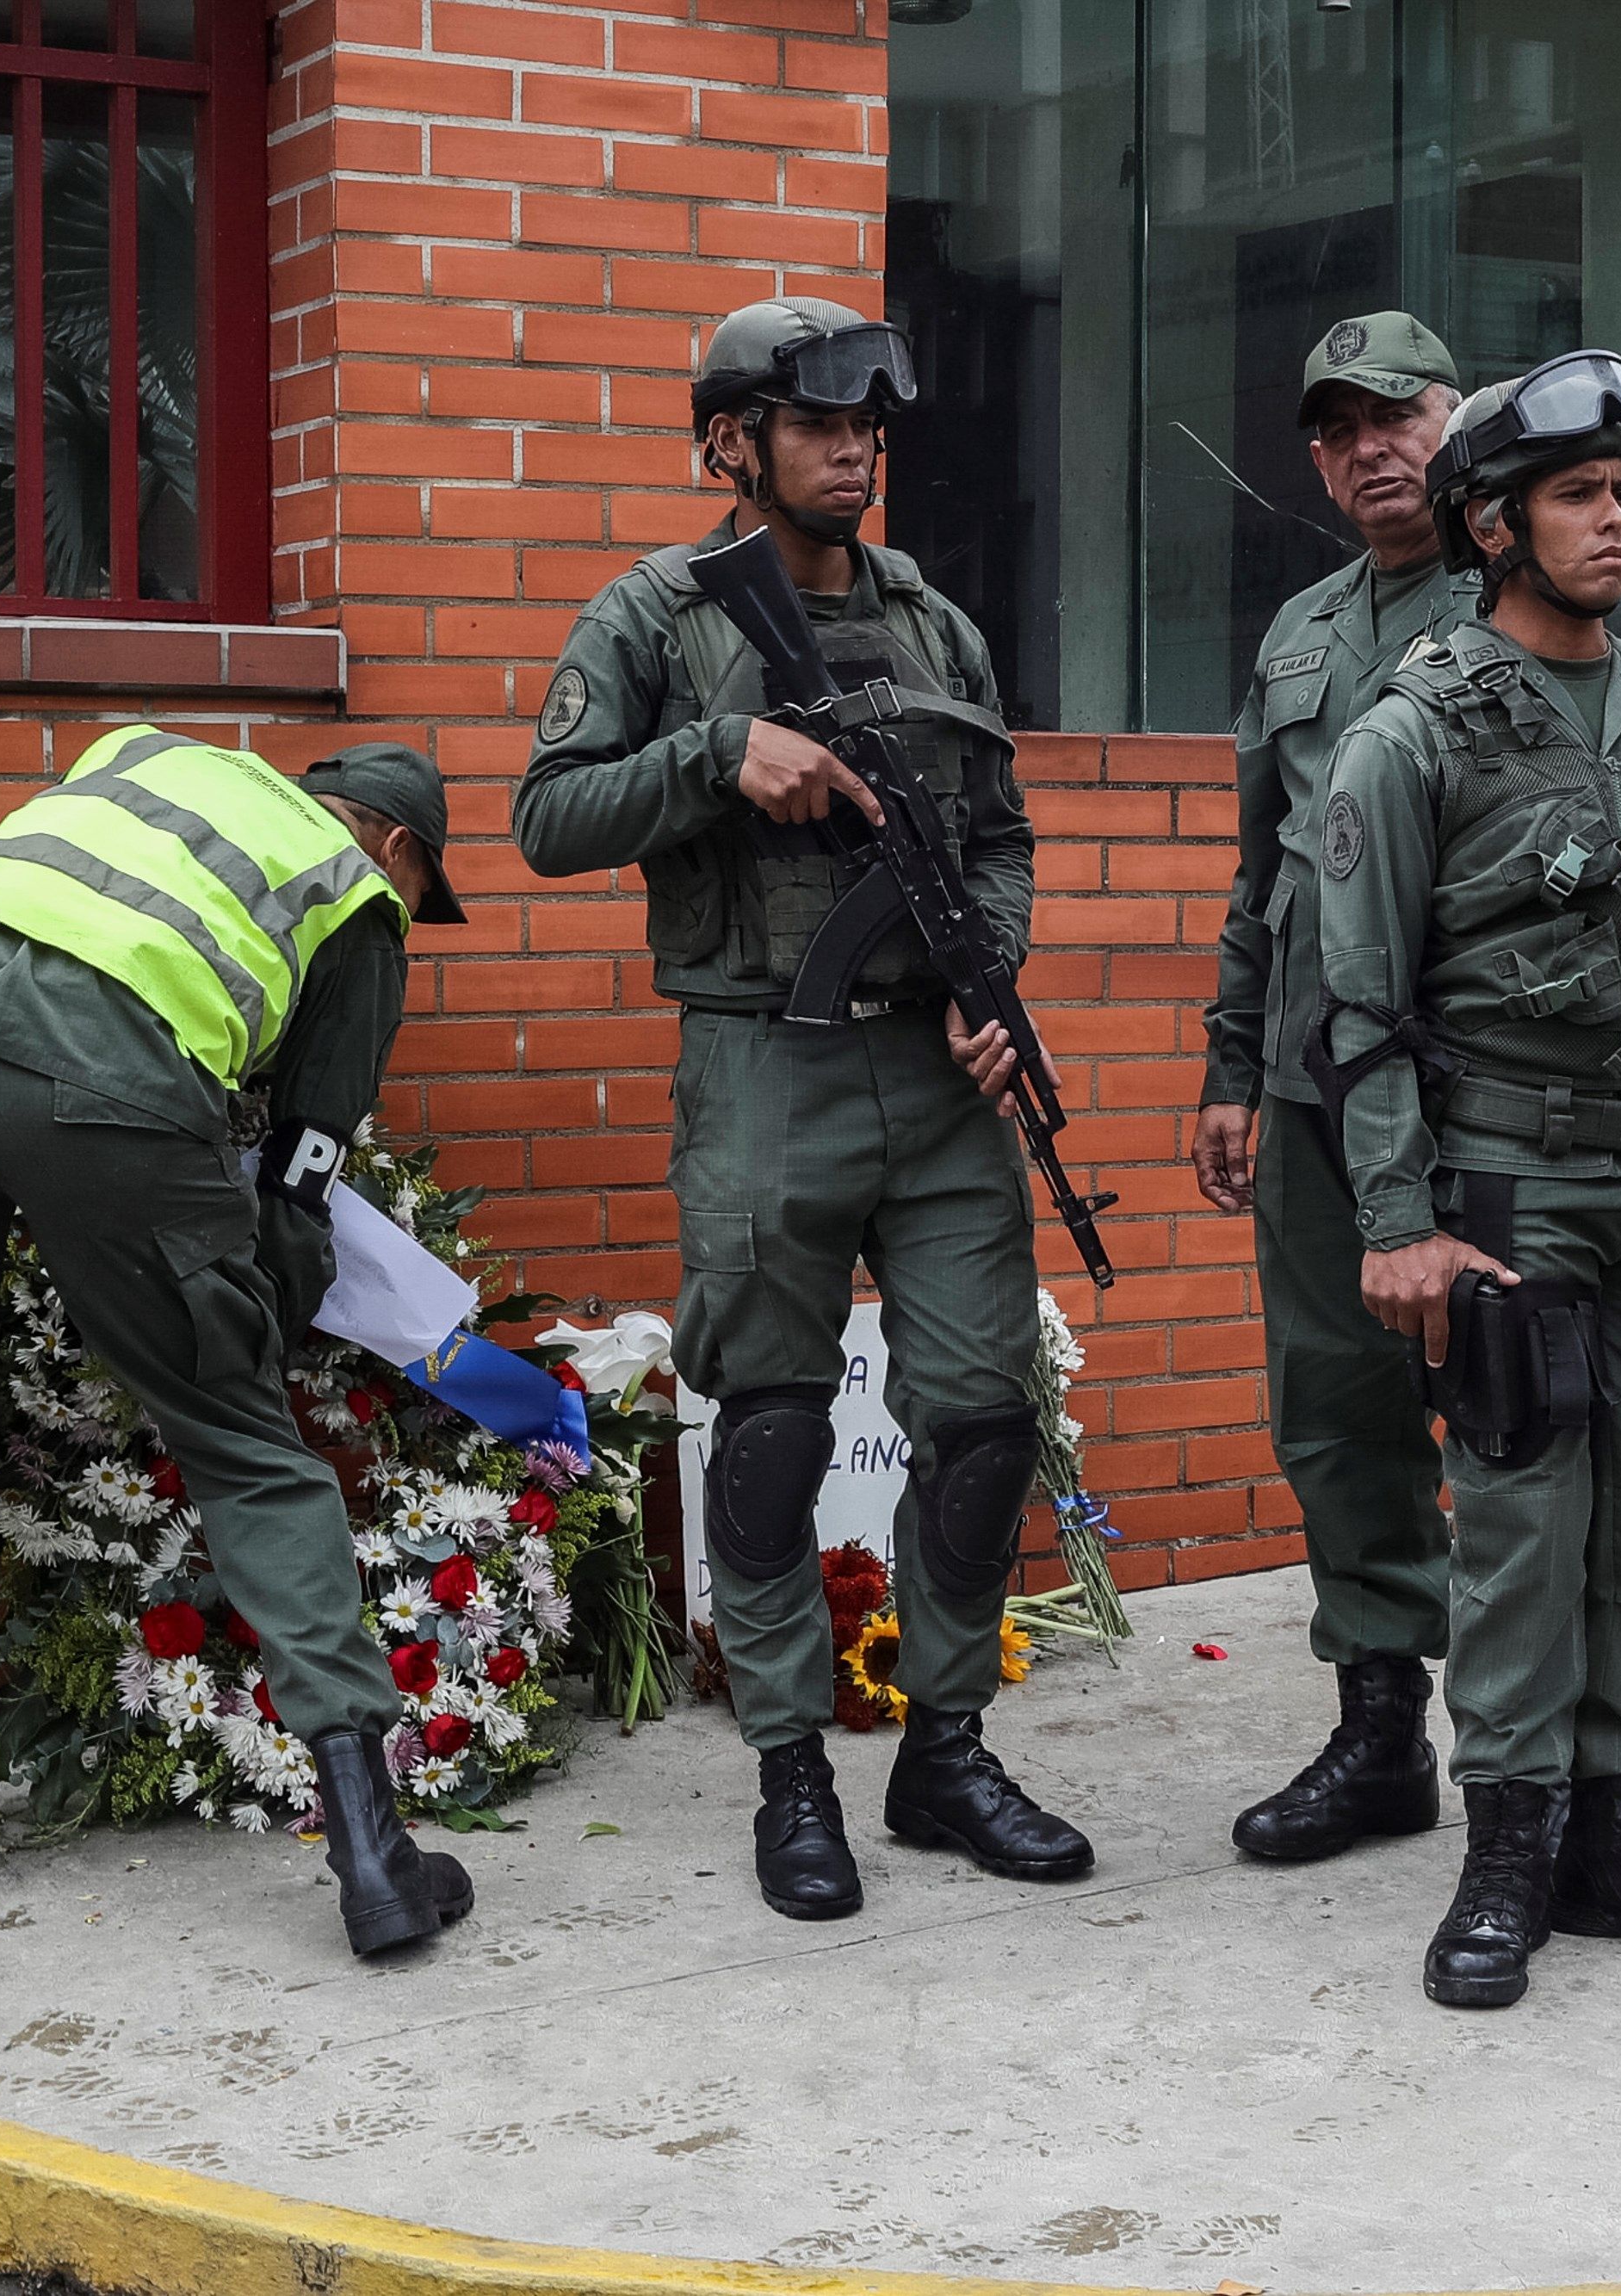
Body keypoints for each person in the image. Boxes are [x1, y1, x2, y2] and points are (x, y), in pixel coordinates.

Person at [512, 297, 1090, 1923]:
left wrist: (997, 983)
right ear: (730, 443)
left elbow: (1001, 837)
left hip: (940, 1074)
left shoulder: (938, 624)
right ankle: (789, 1772)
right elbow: (546, 817)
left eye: (870, 428)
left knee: (980, 1423)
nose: (857, 451)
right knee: (766, 1426)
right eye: (821, 425)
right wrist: (718, 756)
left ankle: (946, 1751)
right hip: (764, 1063)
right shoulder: (654, 617)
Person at [1313, 350, 1621, 2009]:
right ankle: (1507, 1850)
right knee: (1523, 1528)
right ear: (1496, 524)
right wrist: (1398, 1222)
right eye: (1582, 497)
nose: (1616, 524)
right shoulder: (1413, 733)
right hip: (1514, 1189)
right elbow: (1358, 1008)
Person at [0, 727, 477, 1962]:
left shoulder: (141, 762)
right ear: (399, 844)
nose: (411, 910)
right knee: (246, 1448)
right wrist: (261, 1310)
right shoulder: (355, 899)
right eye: (423, 889)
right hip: (105, 1096)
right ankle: (374, 1858)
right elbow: (305, 1162)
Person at [1198, 314, 1621, 1866]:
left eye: (1396, 414)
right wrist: (1227, 1062)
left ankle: (1543, 1772)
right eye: (1335, 430)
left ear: (1460, 425)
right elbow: (1260, 877)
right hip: (1310, 1092)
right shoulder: (1298, 638)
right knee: (1337, 1411)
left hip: (1490, 1103)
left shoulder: (1586, 614)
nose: (1368, 449)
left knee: (1509, 1421)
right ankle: (1376, 1732)